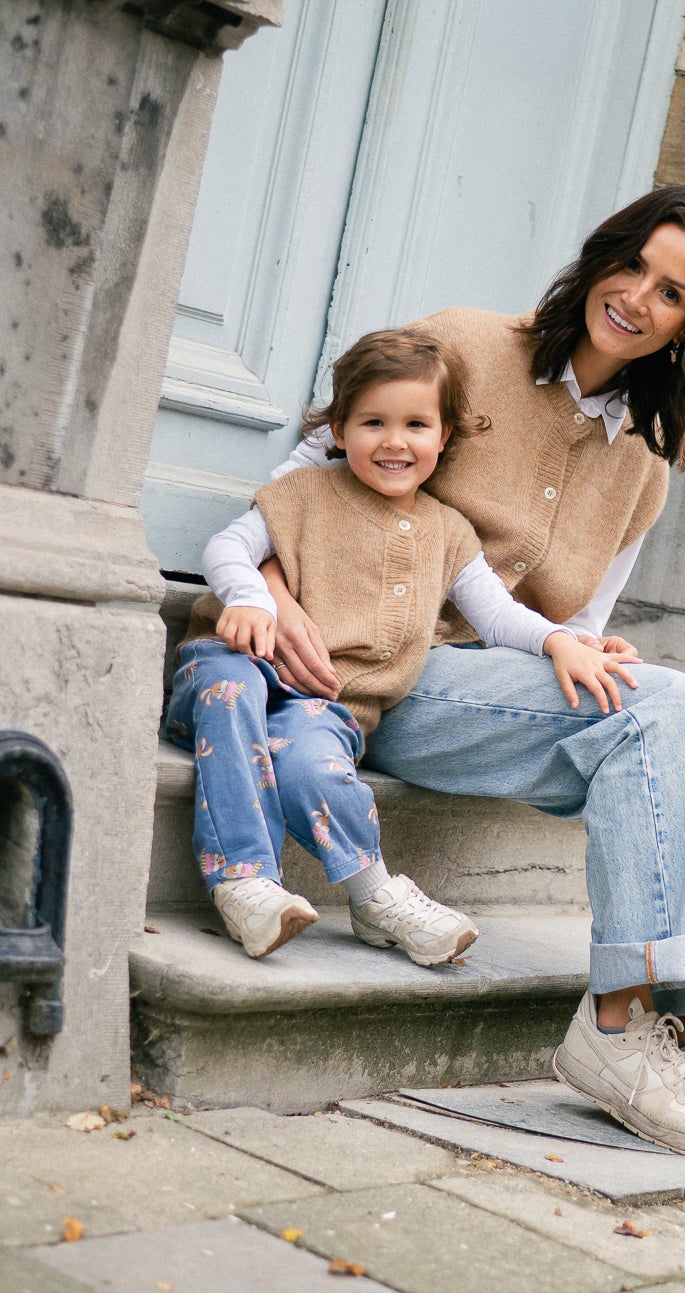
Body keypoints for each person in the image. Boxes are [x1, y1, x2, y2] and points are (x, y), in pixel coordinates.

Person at [259, 187, 685, 1161]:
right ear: (600, 255)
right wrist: (269, 602)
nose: (637, 297)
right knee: (669, 711)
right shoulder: (467, 346)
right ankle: (615, 1026)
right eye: (632, 265)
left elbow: (576, 621)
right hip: (388, 667)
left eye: (672, 293)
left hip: (496, 693)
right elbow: (311, 466)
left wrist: (591, 650)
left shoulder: (644, 460)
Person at [168, 328, 637, 969]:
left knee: (315, 767)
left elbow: (497, 616)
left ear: (444, 438)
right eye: (373, 422)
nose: (394, 440)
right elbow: (227, 547)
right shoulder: (303, 494)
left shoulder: (451, 534)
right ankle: (243, 880)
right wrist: (253, 599)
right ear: (337, 430)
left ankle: (374, 897)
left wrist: (561, 639)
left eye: (416, 424)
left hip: (324, 702)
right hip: (229, 665)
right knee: (235, 689)